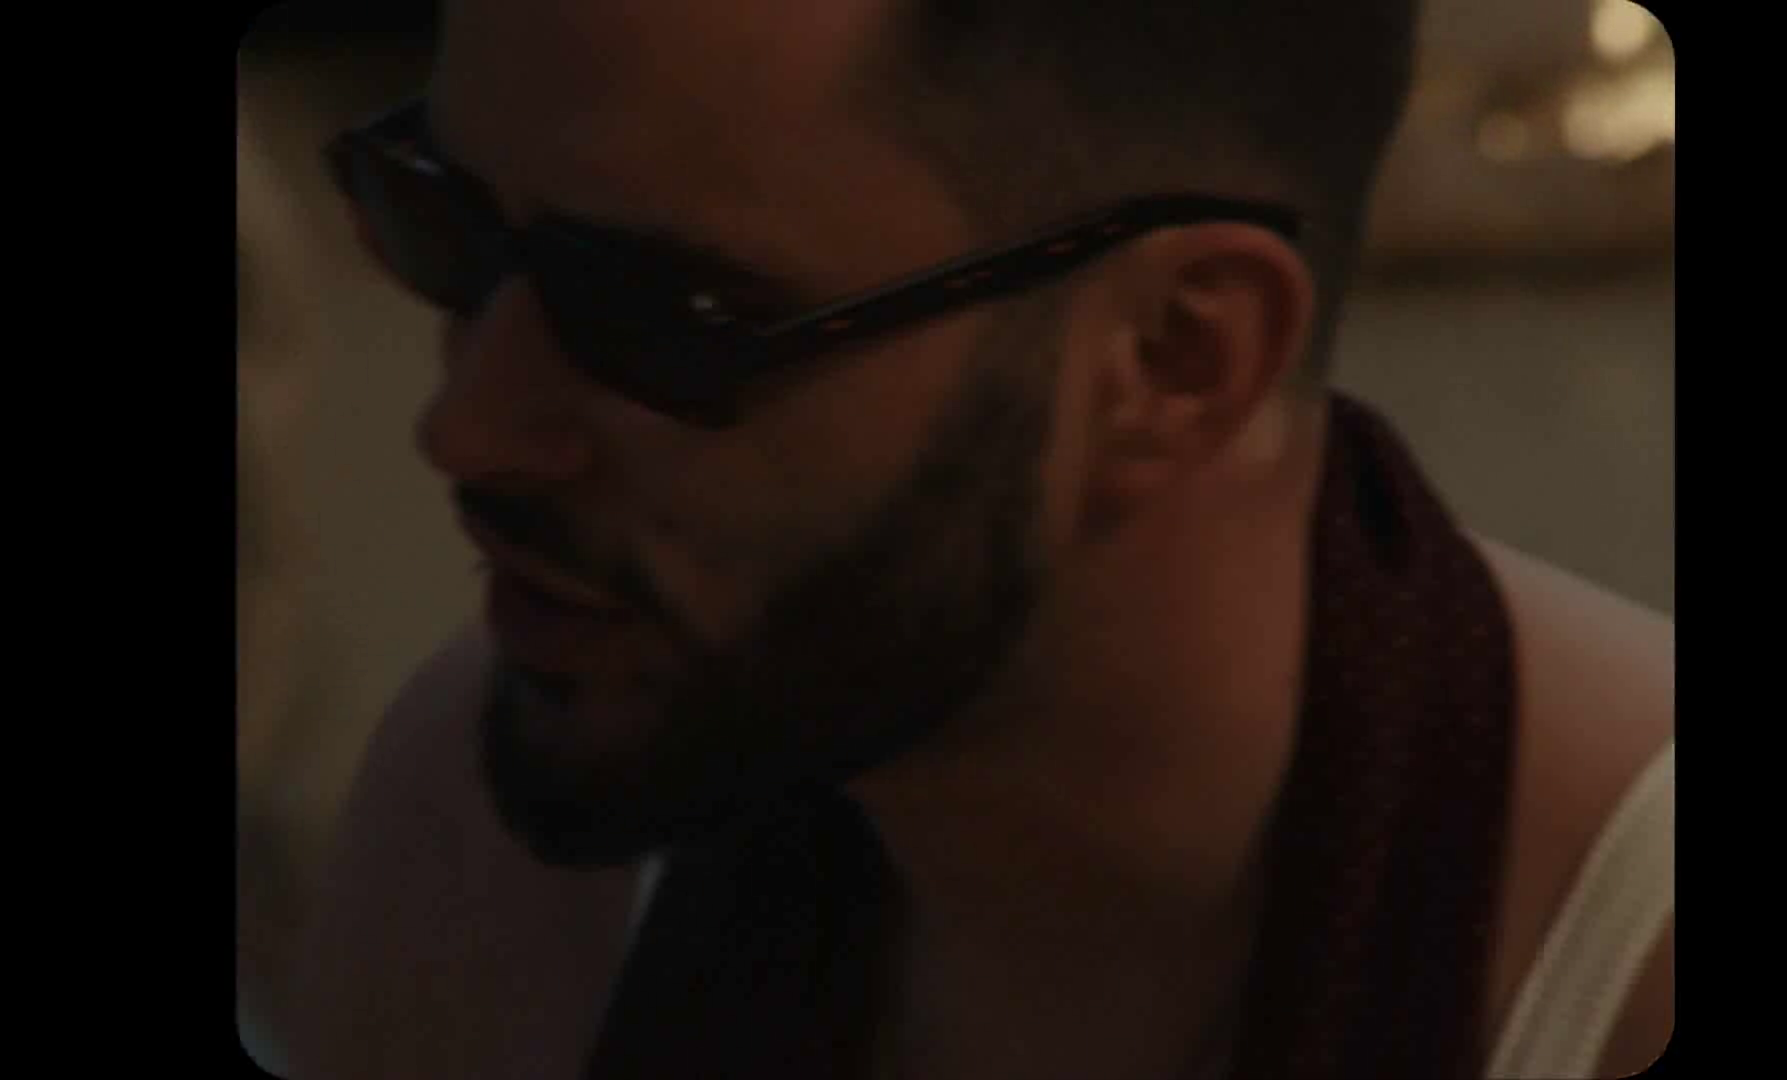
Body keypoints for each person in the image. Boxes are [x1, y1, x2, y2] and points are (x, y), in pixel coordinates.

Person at [283, 1, 1674, 1077]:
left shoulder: (1620, 979)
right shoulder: (504, 833)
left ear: (1176, 357)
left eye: (665, 318)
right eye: (438, 221)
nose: (467, 426)